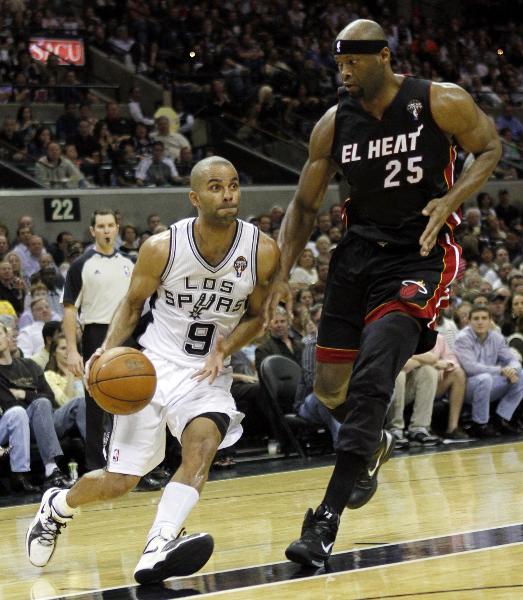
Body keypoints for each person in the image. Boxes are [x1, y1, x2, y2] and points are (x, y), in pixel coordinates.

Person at [264, 19, 501, 568]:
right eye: (338, 63)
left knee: (373, 376)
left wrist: (451, 200)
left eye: (353, 62)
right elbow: (303, 206)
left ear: (383, 57)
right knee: (328, 390)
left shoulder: (439, 101)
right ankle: (371, 442)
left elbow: (489, 148)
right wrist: (280, 272)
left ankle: (324, 521)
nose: (343, 72)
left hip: (418, 254)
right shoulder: (333, 124)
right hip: (356, 257)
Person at [26, 156, 279, 584]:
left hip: (206, 374)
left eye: (234, 185)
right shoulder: (162, 247)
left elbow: (259, 317)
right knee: (119, 481)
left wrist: (227, 347)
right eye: (216, 187)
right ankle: (58, 506)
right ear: (195, 197)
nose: (228, 194)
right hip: (151, 372)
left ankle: (158, 544)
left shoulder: (261, 250)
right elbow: (131, 305)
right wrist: (105, 351)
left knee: (203, 443)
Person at [61, 209, 134, 471]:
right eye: (100, 226)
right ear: (92, 231)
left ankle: (133, 466)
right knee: (97, 404)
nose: (106, 230)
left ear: (117, 228)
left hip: (127, 334)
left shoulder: (130, 263)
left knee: (132, 401)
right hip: (95, 333)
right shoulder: (82, 265)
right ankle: (95, 466)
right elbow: (69, 308)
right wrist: (71, 350)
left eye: (110, 225)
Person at [455, 306, 523, 437]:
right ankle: (480, 425)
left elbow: (513, 359)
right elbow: (471, 368)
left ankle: (501, 418)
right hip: (467, 387)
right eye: (476, 319)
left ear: (490, 321)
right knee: (484, 378)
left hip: (490, 382)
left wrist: (512, 370)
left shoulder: (497, 338)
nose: (480, 322)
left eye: (484, 318)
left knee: (521, 374)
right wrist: (501, 370)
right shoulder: (462, 338)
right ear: (469, 321)